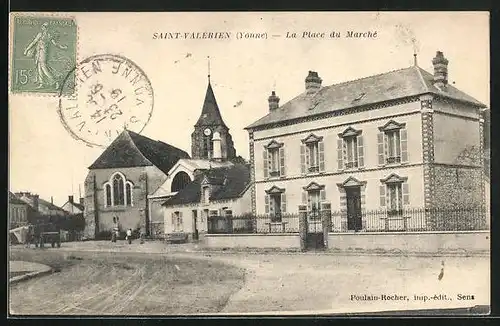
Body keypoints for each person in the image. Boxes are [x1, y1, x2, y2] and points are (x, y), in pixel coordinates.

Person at [23, 22, 68, 89]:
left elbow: (55, 44)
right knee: (39, 68)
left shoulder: (48, 35)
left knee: (44, 67)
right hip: (38, 52)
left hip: (43, 53)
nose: (44, 28)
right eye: (43, 27)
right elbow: (34, 42)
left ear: (47, 28)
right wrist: (27, 49)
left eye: (45, 27)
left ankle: (55, 81)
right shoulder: (41, 34)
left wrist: (63, 47)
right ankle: (42, 84)